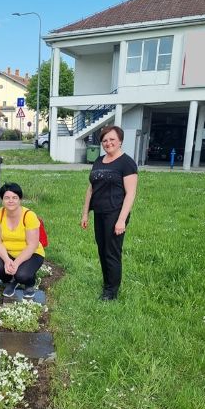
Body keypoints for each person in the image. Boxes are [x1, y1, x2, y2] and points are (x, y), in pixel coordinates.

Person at [80, 125, 138, 301]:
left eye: (112, 139)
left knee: (112, 252)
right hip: (99, 213)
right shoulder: (98, 161)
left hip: (115, 214)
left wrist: (121, 220)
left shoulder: (127, 163)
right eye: (104, 140)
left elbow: (130, 193)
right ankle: (107, 284)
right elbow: (91, 189)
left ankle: (111, 292)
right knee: (102, 250)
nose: (108, 143)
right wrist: (85, 214)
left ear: (120, 141)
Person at [0, 182, 44, 299]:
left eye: (15, 197)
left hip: (31, 253)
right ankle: (11, 281)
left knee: (22, 275)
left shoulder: (29, 216)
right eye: (7, 198)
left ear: (20, 199)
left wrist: (16, 263)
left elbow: (32, 245)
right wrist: (7, 260)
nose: (11, 201)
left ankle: (30, 283)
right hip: (8, 253)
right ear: (2, 200)